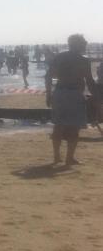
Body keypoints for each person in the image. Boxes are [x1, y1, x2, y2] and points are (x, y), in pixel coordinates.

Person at [44, 34, 96, 166]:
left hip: (60, 93)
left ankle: (57, 156)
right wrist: (97, 96)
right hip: (74, 94)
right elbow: (89, 81)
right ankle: (69, 158)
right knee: (74, 127)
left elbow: (48, 76)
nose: (85, 44)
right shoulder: (83, 60)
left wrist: (49, 93)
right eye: (84, 42)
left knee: (59, 126)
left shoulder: (60, 57)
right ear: (77, 44)